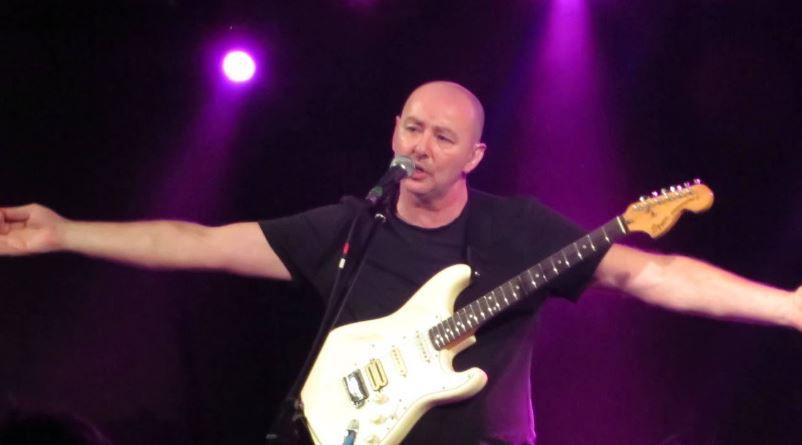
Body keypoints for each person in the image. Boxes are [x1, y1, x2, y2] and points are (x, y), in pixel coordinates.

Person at [1, 81, 800, 444]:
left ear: (473, 155)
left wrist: (786, 305)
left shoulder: (518, 229)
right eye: (413, 127)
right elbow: (199, 241)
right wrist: (65, 232)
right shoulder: (352, 226)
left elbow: (651, 274)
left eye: (443, 136)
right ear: (394, 131)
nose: (422, 145)